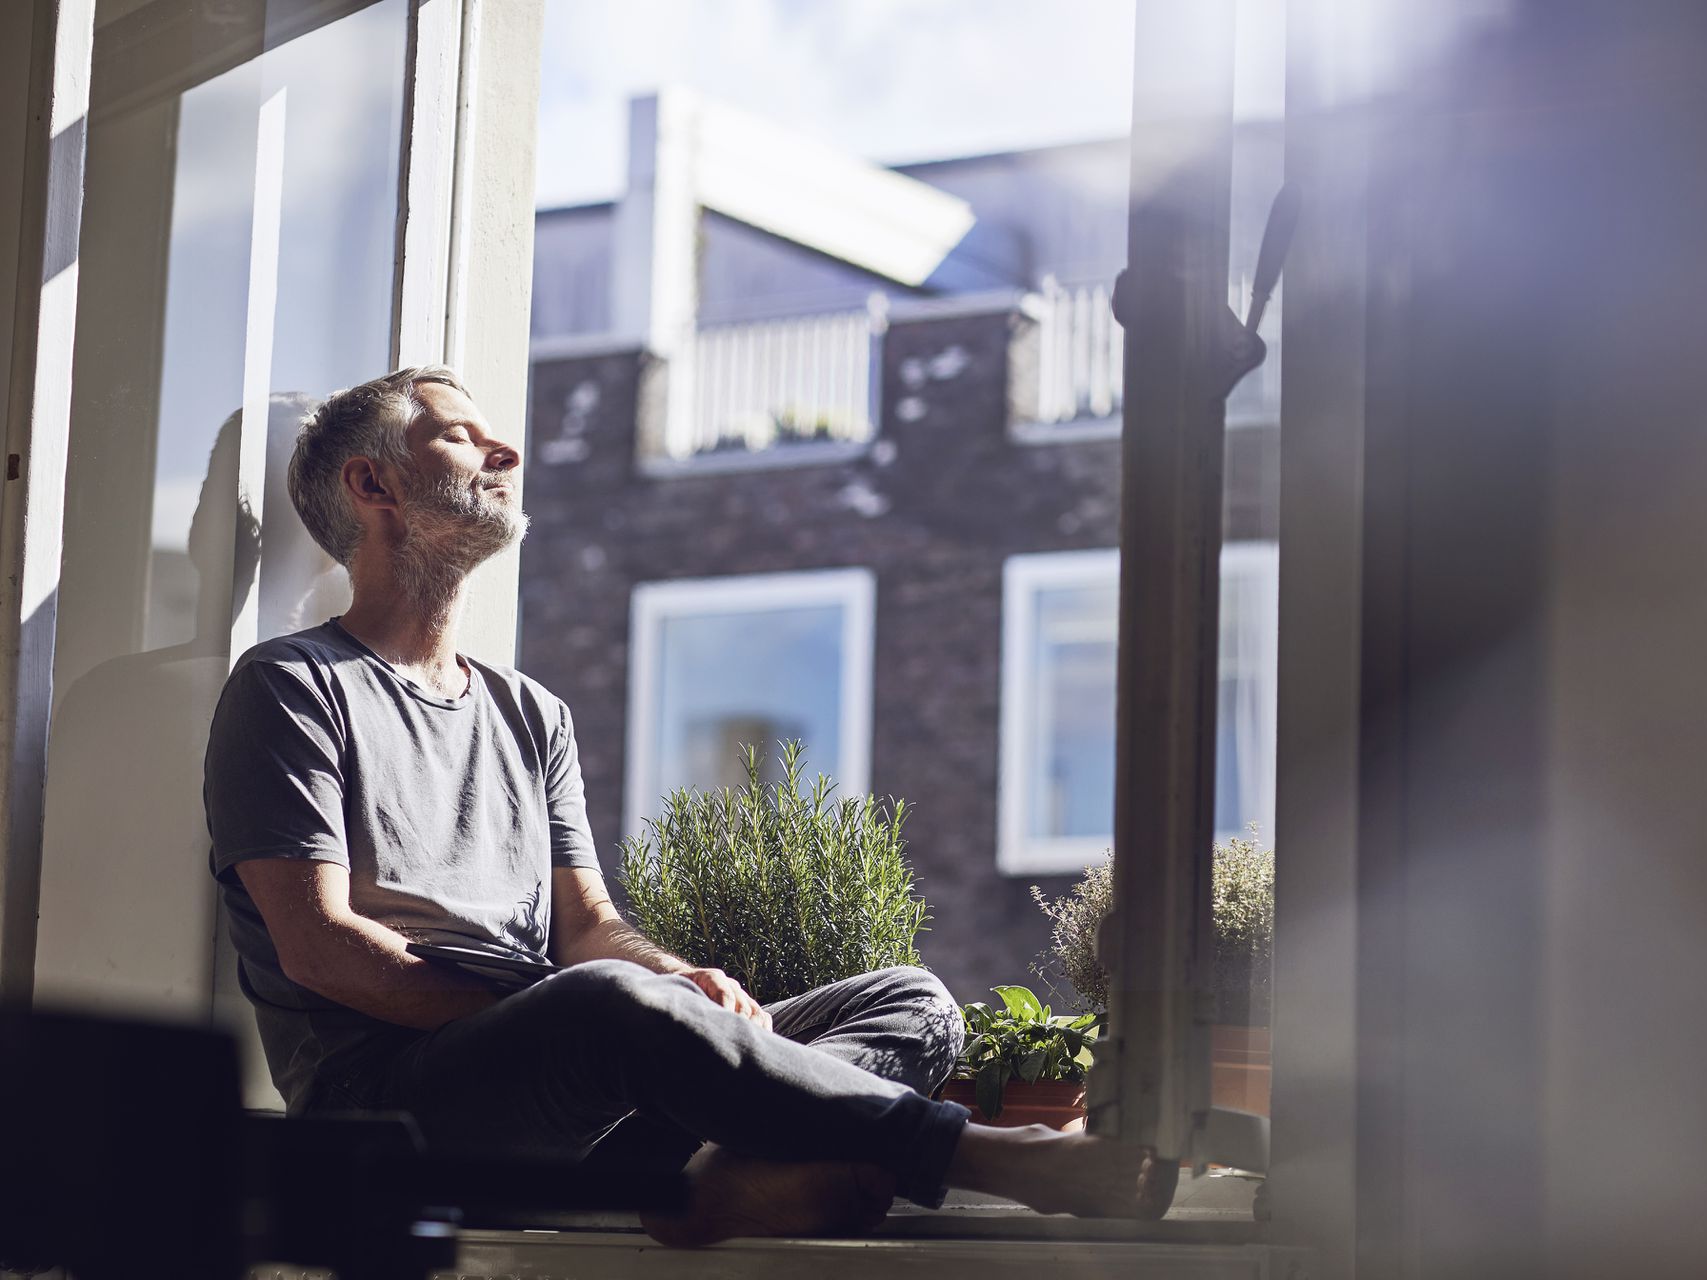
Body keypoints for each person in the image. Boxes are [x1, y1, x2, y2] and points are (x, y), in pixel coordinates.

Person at [205, 365, 1175, 1246]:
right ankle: (1000, 1158)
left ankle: (716, 1183)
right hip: (403, 1108)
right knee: (609, 1003)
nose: (505, 451)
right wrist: (585, 1004)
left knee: (909, 1001)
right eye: (460, 435)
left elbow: (587, 926)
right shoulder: (292, 685)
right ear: (373, 487)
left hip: (579, 1091)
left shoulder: (529, 712)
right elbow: (320, 945)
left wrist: (684, 978)